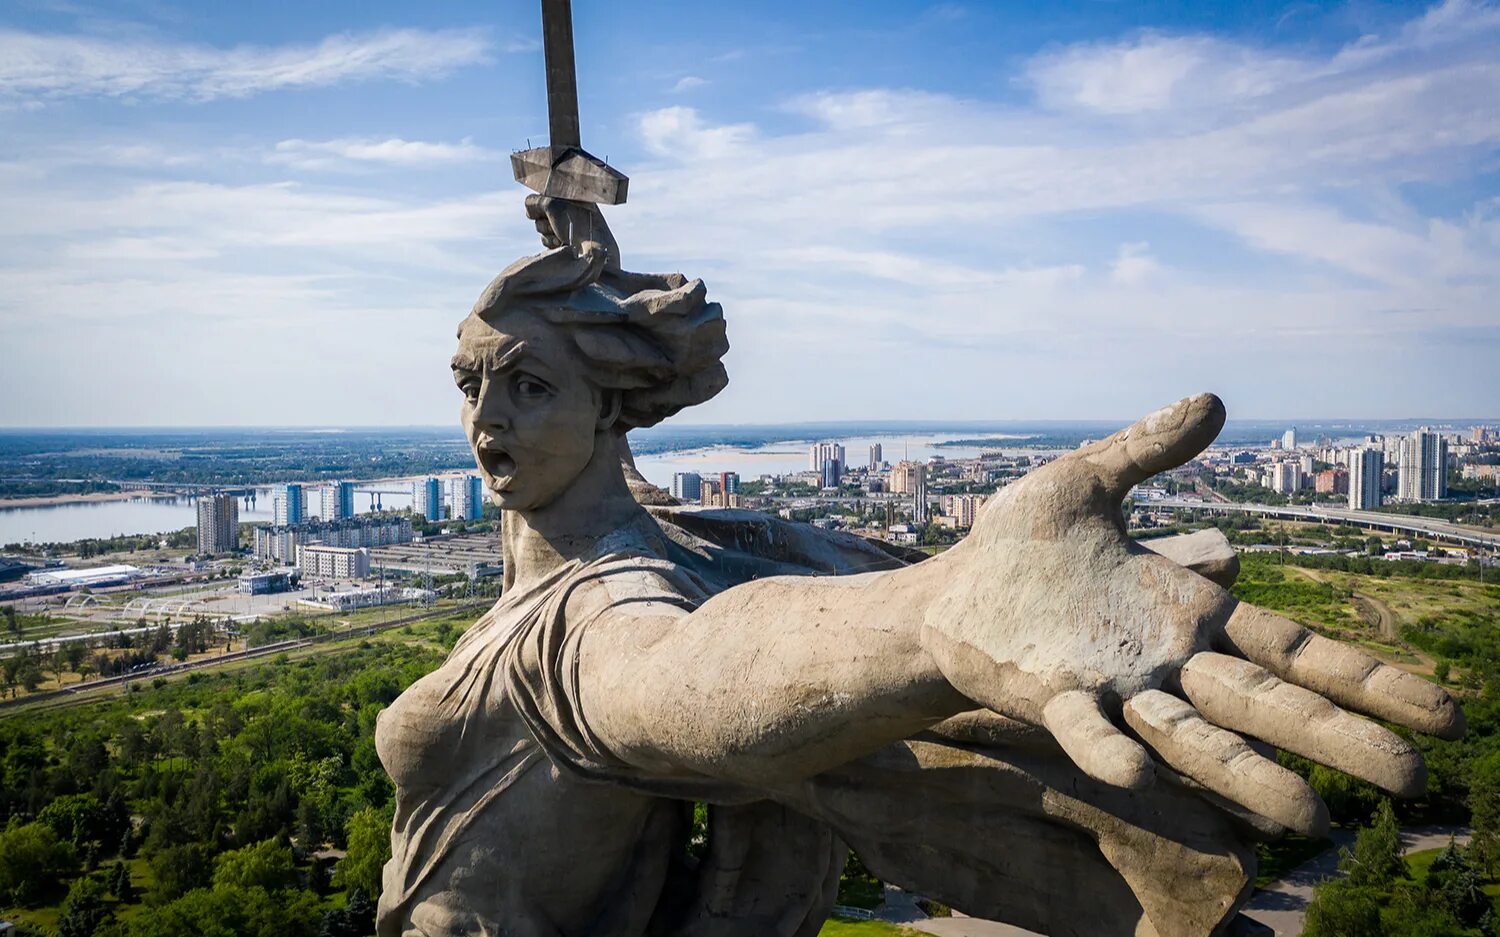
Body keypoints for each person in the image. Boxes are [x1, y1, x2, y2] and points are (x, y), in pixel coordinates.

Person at [375, 197, 1462, 937]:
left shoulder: (601, 607)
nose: (483, 421)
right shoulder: (651, 542)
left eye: (526, 386)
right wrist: (579, 236)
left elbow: (679, 681)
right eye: (470, 383)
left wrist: (940, 605)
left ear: (608, 408)